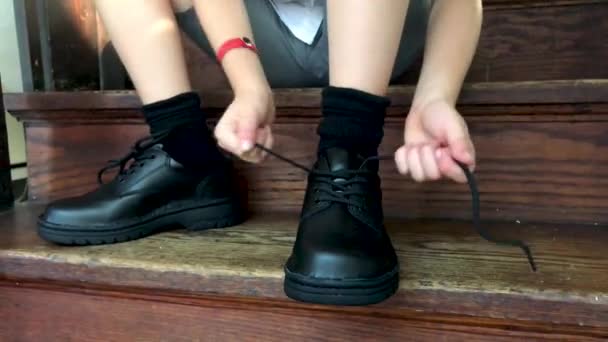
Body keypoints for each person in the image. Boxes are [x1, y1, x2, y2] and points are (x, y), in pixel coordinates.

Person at [37, 0, 482, 305]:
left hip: (384, 32)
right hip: (258, 36)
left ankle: (346, 157)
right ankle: (185, 155)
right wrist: (248, 84)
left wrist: (434, 96)